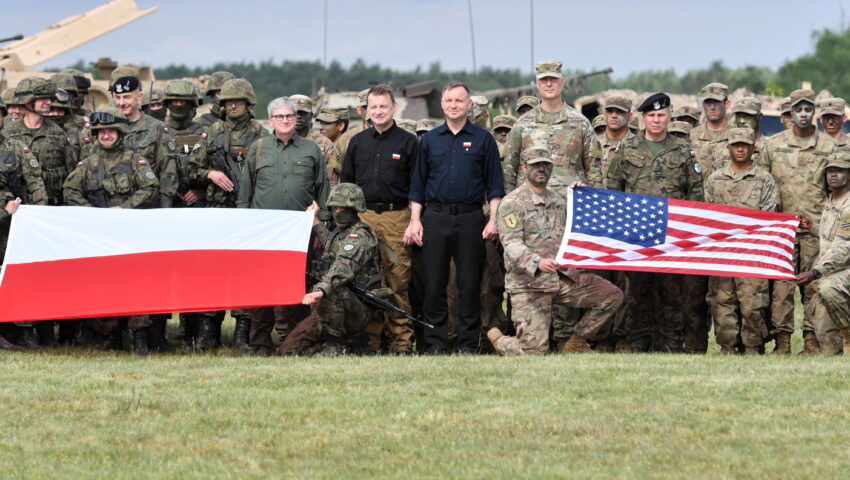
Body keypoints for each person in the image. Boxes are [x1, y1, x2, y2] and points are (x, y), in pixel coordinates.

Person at [488, 145, 622, 354]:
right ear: (524, 167)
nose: (541, 169)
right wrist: (537, 262)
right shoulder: (512, 203)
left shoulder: (558, 201)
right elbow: (511, 244)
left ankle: (576, 342)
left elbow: (575, 229)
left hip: (562, 279)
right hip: (529, 284)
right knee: (534, 352)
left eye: (545, 165)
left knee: (611, 295)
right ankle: (499, 341)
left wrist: (581, 195)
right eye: (535, 165)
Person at [405, 81, 504, 354]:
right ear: (442, 104)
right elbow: (418, 186)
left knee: (469, 285)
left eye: (459, 101)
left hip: (470, 218)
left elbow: (495, 186)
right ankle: (436, 344)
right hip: (435, 218)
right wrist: (416, 220)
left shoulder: (485, 140)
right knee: (434, 284)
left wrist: (493, 220)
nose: (453, 105)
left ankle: (467, 344)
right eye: (449, 101)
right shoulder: (429, 140)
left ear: (469, 105)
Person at [606, 92, 703, 353]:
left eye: (661, 115)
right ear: (642, 118)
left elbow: (695, 195)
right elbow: (613, 190)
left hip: (672, 235)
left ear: (669, 117)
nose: (656, 120)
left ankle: (671, 345)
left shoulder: (683, 151)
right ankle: (638, 344)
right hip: (636, 234)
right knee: (637, 294)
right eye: (651, 115)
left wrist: (689, 234)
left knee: (671, 294)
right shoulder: (627, 150)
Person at [237, 96, 329, 356]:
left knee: (298, 289)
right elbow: (245, 193)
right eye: (280, 117)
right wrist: (246, 227)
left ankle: (295, 342)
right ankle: (260, 345)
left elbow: (323, 191)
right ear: (271, 121)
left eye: (290, 116)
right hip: (264, 232)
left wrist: (321, 223)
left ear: (296, 118)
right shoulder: (258, 148)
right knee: (261, 290)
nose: (286, 120)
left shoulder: (311, 150)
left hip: (300, 233)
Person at [63, 107, 160, 355]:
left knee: (136, 283)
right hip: (100, 234)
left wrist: (124, 208)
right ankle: (109, 334)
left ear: (120, 133)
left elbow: (150, 187)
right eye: (101, 132)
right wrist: (92, 212)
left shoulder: (133, 159)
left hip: (131, 231)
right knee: (104, 282)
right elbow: (70, 190)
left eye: (110, 131)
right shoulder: (89, 163)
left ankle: (139, 335)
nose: (106, 136)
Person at [188, 78, 270, 350]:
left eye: (238, 101)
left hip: (247, 214)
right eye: (228, 101)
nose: (233, 105)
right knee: (212, 273)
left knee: (245, 274)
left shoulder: (261, 134)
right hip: (216, 213)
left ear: (249, 103)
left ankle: (241, 335)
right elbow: (190, 170)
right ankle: (207, 333)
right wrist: (209, 173)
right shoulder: (213, 132)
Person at [340, 84, 418, 355]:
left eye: (383, 106)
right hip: (364, 218)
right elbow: (346, 185)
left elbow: (418, 187)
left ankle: (401, 344)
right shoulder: (358, 142)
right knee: (366, 282)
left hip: (397, 217)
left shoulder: (409, 142)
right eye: (373, 107)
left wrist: (414, 221)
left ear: (394, 108)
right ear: (365, 110)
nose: (378, 111)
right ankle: (370, 343)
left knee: (397, 281)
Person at [760, 88, 837, 354]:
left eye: (808, 109)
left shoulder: (828, 146)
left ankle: (811, 340)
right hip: (782, 230)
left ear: (813, 112)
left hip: (818, 229)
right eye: (798, 110)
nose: (803, 115)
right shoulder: (774, 144)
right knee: (781, 287)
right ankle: (782, 342)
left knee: (815, 286)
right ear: (789, 113)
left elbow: (836, 188)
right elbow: (764, 184)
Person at [279, 183, 380, 356]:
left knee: (333, 291)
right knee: (287, 351)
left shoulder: (360, 236)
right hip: (328, 308)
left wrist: (321, 290)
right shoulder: (339, 232)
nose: (337, 211)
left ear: (353, 208)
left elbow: (343, 266)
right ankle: (348, 347)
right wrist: (316, 221)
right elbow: (332, 248)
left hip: (355, 309)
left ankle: (337, 345)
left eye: (341, 207)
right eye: (334, 207)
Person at [704, 127, 778, 355]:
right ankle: (727, 345)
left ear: (752, 148)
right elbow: (707, 214)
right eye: (735, 145)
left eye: (744, 145)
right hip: (722, 252)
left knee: (752, 302)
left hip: (752, 251)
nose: (740, 149)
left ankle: (752, 345)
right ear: (728, 148)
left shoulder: (764, 179)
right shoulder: (715, 179)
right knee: (721, 300)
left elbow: (770, 213)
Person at [504, 61, 602, 196]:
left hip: (569, 205)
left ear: (563, 81)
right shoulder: (522, 124)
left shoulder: (581, 123)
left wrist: (592, 202)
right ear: (537, 84)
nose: (549, 84)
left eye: (553, 79)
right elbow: (508, 171)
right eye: (544, 80)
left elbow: (594, 171)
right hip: (529, 208)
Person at [0, 103, 48, 351]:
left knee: (17, 276)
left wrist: (39, 215)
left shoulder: (16, 147)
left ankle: (24, 330)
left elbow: (34, 181)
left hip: (13, 224)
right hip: (3, 214)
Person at [798, 152, 850, 355]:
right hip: (836, 271)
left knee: (828, 288)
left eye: (840, 171)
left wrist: (814, 272)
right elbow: (833, 235)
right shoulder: (832, 201)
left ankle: (848, 335)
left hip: (842, 270)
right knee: (828, 349)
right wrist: (812, 228)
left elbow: (843, 248)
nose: (833, 175)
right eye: (830, 171)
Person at [290, 94, 341, 186]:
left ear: (310, 116)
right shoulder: (280, 142)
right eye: (294, 113)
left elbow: (331, 181)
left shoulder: (325, 144)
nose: (298, 116)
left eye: (302, 113)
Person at [691, 82, 730, 179]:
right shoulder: (691, 137)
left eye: (716, 102)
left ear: (726, 103)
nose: (712, 107)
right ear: (703, 104)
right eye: (708, 102)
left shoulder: (738, 136)